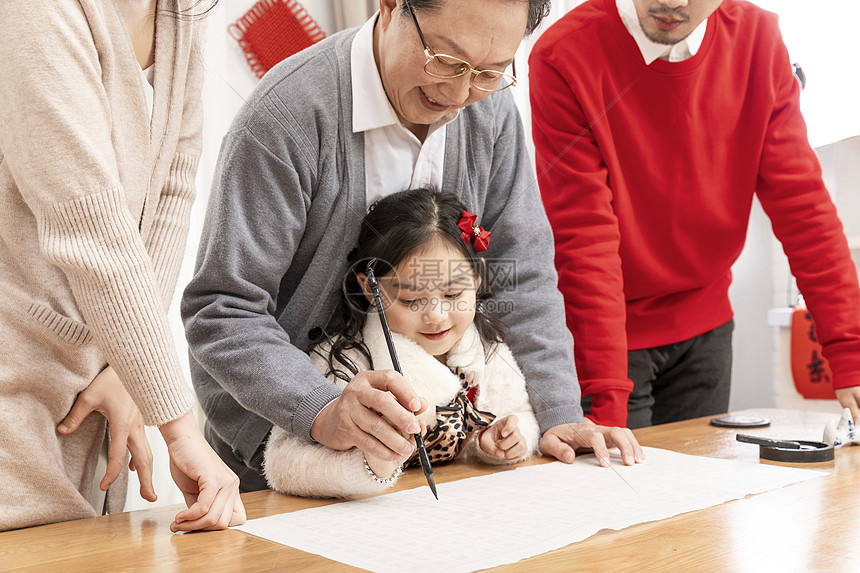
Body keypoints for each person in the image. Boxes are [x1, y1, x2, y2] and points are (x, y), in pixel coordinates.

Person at [182, 0, 645, 494]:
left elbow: (523, 274)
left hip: (444, 454)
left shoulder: (490, 111)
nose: (460, 93)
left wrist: (557, 414)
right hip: (288, 452)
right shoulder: (287, 115)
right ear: (390, 6)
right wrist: (320, 409)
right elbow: (222, 308)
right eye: (445, 61)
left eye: (489, 72)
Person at [529, 0, 860, 429]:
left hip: (707, 330)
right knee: (615, 488)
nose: (673, 2)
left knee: (704, 489)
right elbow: (584, 238)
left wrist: (848, 350)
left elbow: (804, 207)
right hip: (604, 338)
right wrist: (606, 396)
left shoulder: (758, 40)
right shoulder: (565, 55)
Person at [0, 0, 244, 532]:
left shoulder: (183, 12)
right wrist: (181, 428)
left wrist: (126, 373)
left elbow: (174, 189)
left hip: (97, 370)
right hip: (15, 361)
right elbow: (90, 226)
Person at [264, 189, 541, 497]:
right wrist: (370, 464)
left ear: (476, 280)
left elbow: (522, 413)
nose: (436, 316)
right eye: (411, 299)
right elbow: (281, 464)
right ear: (370, 289)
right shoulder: (348, 361)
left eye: (453, 295)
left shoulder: (487, 355)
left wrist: (509, 440)